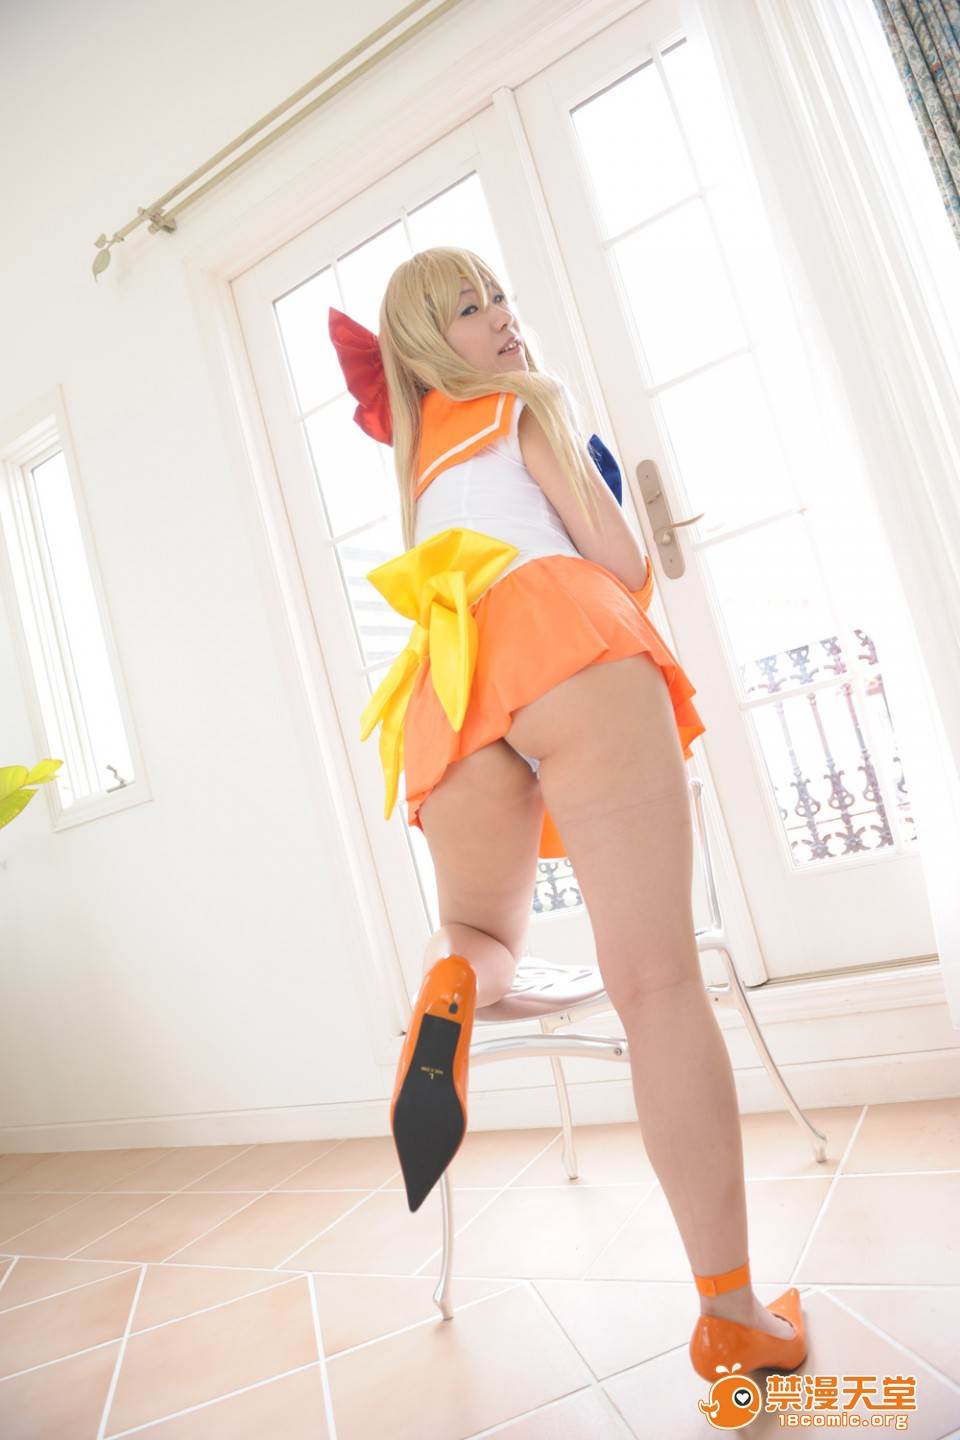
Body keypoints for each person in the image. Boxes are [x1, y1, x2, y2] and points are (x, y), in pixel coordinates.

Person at [328, 245, 807, 1382]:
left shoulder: (420, 464)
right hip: (563, 642)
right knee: (657, 982)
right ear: (431, 345)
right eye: (471, 306)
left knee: (479, 934)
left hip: (451, 684)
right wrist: (598, 483)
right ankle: (732, 1314)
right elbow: (619, 561)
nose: (502, 316)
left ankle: (448, 985)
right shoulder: (523, 403)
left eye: (499, 296)